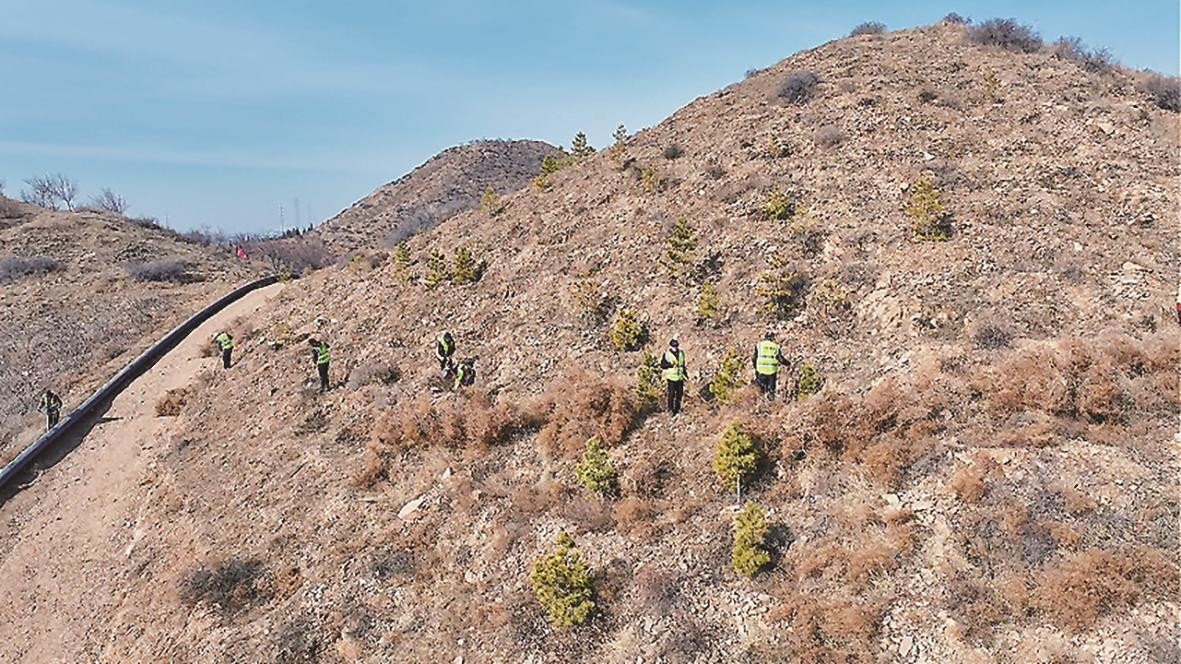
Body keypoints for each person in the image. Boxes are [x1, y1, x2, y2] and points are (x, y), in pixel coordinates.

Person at [753, 332, 786, 400]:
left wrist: (756, 368)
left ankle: (760, 402)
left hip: (761, 370)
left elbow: (754, 358)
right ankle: (771, 401)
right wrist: (788, 364)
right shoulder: (775, 346)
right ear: (773, 338)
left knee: (760, 390)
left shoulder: (759, 345)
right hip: (772, 371)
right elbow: (781, 360)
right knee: (771, 390)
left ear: (765, 338)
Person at [659, 338, 687, 415]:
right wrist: (670, 365)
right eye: (673, 346)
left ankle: (677, 409)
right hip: (671, 377)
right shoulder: (667, 354)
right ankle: (670, 409)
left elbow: (683, 364)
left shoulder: (681, 353)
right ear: (670, 346)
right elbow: (662, 365)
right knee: (671, 394)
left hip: (680, 376)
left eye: (676, 346)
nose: (675, 348)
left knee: (680, 393)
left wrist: (685, 374)